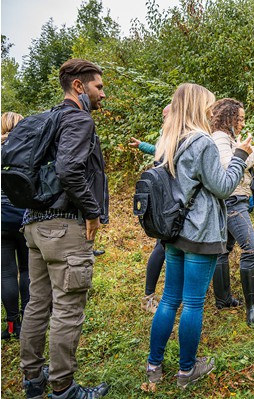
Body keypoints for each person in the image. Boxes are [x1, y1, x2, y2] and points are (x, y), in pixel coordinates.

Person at [146, 84, 252, 389]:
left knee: (168, 299)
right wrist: (240, 156)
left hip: (173, 231)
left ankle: (153, 366)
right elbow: (223, 186)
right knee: (193, 304)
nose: (211, 110)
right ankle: (186, 371)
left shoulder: (168, 141)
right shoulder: (201, 142)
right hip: (200, 232)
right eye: (208, 105)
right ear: (197, 106)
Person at [19, 58, 110, 399]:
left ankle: (32, 377)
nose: (102, 94)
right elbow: (70, 169)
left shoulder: (50, 119)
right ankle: (64, 388)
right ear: (78, 86)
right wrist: (92, 212)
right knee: (68, 308)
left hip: (34, 225)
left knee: (37, 304)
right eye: (98, 87)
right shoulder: (78, 119)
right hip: (64, 226)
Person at [210, 98, 254, 327]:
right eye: (239, 119)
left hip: (233, 199)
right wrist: (245, 154)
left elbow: (238, 164)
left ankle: (223, 299)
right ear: (228, 118)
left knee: (223, 250)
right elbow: (227, 166)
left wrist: (253, 155)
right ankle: (251, 308)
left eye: (243, 119)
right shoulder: (221, 139)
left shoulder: (228, 138)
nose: (242, 123)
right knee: (251, 250)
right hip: (233, 201)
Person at [129, 103, 170, 313]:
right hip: (165, 199)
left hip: (165, 198)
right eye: (163, 116)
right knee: (162, 246)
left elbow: (158, 151)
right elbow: (162, 155)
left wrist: (142, 145)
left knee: (166, 246)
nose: (163, 119)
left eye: (166, 115)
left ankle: (165, 295)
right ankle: (149, 297)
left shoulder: (170, 134)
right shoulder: (168, 134)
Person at [1, 111, 28, 340]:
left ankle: (12, 326)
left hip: (1, 220)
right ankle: (29, 322)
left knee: (6, 273)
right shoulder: (27, 151)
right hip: (24, 216)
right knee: (27, 270)